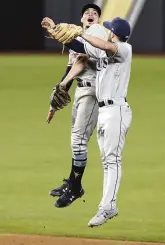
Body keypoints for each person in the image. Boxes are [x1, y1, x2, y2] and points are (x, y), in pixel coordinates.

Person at [58, 17, 133, 227]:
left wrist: (81, 32)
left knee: (112, 160)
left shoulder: (124, 48)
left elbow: (103, 44)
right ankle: (108, 206)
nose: (106, 31)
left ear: (114, 32)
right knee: (107, 161)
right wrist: (56, 29)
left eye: (109, 29)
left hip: (116, 110)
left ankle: (108, 207)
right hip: (105, 111)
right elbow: (80, 47)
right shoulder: (103, 52)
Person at [41, 4, 108, 208]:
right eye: (87, 13)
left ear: (98, 20)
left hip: (93, 93)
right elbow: (70, 70)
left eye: (95, 13)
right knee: (75, 140)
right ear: (81, 20)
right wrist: (54, 103)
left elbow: (82, 49)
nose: (90, 14)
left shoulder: (100, 37)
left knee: (78, 141)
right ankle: (72, 182)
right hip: (81, 91)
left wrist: (56, 31)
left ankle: (76, 187)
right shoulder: (79, 38)